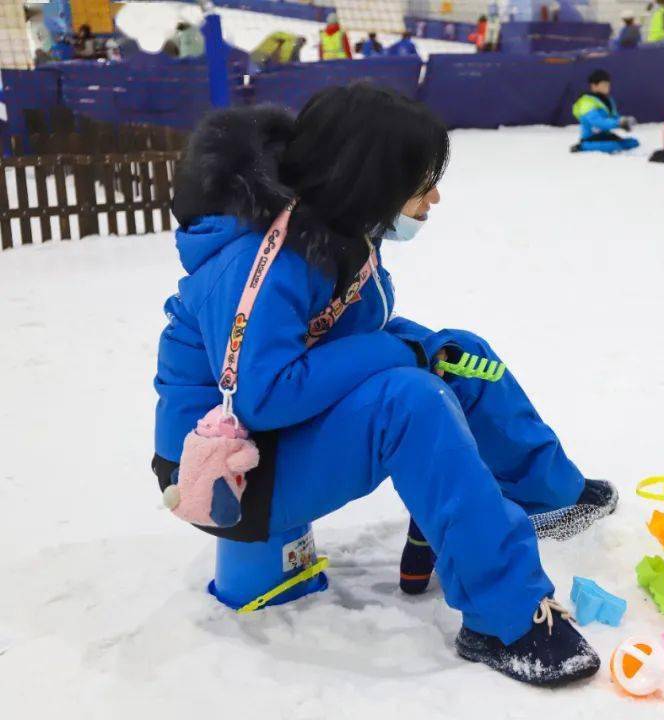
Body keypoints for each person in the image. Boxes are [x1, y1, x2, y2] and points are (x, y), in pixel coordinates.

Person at [154, 84, 617, 686]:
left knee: (457, 355)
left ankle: (546, 493)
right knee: (413, 401)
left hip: (278, 437)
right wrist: (399, 351)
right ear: (367, 180)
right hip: (225, 475)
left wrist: (423, 350)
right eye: (421, 182)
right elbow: (261, 396)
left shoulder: (336, 230)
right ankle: (503, 619)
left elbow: (349, 336)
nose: (434, 197)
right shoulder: (261, 261)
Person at [570, 69, 640, 154]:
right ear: (593, 86)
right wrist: (618, 123)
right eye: (604, 85)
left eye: (608, 85)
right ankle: (582, 146)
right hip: (591, 138)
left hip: (605, 136)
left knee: (633, 142)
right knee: (613, 146)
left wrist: (624, 122)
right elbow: (597, 122)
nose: (607, 87)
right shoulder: (586, 102)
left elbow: (614, 117)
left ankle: (607, 144)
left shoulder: (608, 100)